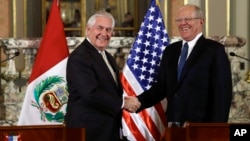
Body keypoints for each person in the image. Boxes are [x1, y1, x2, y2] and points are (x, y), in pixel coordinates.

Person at [129, 4, 233, 127]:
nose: (183, 23)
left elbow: (222, 95)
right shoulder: (170, 51)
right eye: (179, 20)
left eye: (188, 19)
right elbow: (161, 87)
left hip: (201, 126)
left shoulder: (214, 51)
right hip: (174, 124)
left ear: (201, 21)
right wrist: (138, 101)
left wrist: (217, 130)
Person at [64, 10, 140, 141]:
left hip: (107, 130)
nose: (104, 34)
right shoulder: (80, 57)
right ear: (88, 30)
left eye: (108, 30)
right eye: (99, 28)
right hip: (89, 132)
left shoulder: (108, 57)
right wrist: (123, 103)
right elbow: (91, 94)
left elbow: (109, 91)